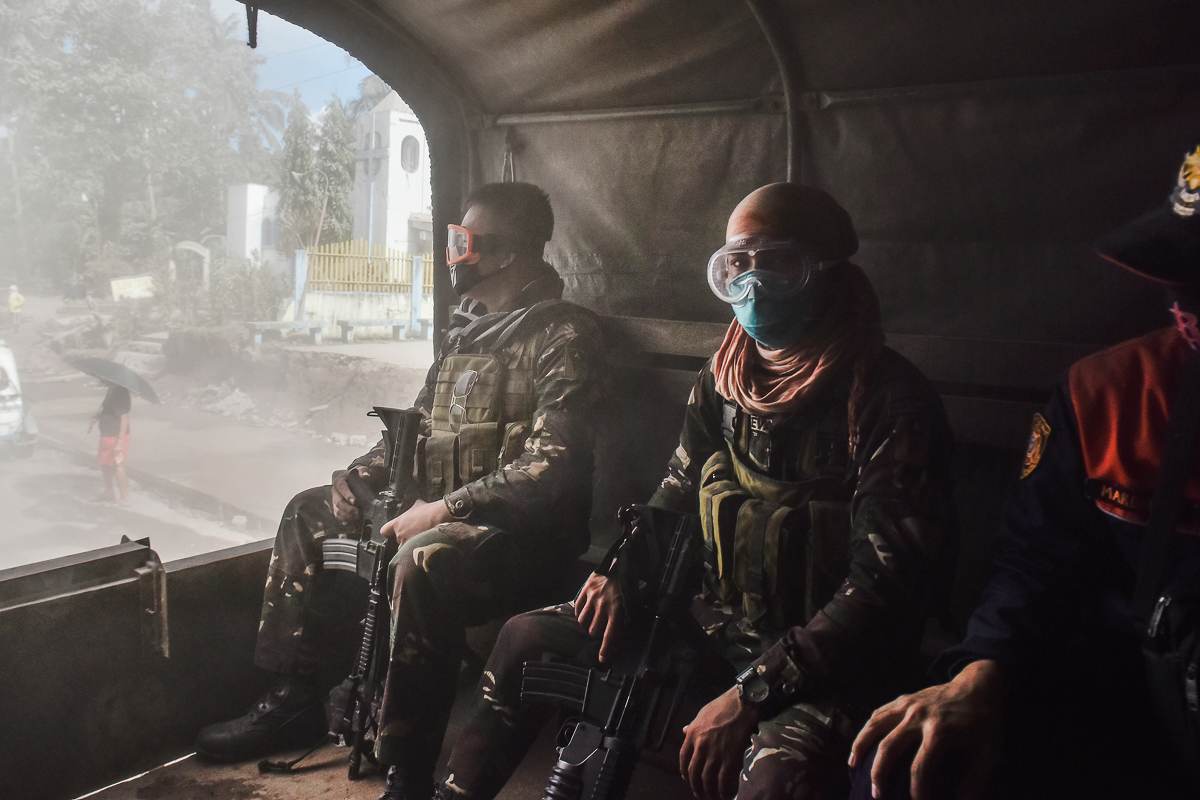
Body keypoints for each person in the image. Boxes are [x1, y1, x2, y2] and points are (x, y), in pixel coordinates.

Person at [436, 183, 957, 800]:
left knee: (775, 777)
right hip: (717, 629)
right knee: (526, 637)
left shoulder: (887, 402)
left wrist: (750, 693)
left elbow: (882, 591)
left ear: (826, 275)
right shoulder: (725, 379)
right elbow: (677, 493)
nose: (755, 282)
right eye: (739, 263)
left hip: (834, 664)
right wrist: (619, 572)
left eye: (780, 263)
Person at [193, 183, 607, 800]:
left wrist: (447, 509)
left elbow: (555, 469)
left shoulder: (563, 337)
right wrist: (357, 477)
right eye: (452, 241)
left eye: (464, 243)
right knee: (307, 513)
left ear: (507, 254)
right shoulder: (464, 334)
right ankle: (293, 698)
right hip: (436, 513)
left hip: (519, 541)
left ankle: (408, 767)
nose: (452, 255)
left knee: (424, 558)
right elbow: (409, 437)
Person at [849, 145, 1200, 800]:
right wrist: (981, 670)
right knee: (905, 764)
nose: (1189, 305)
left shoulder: (891, 396)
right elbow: (1037, 564)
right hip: (1134, 691)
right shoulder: (1108, 395)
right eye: (1182, 274)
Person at [90, 379, 131, 506]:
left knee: (117, 464)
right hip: (107, 434)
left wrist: (120, 442)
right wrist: (97, 417)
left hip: (116, 436)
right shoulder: (111, 390)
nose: (101, 379)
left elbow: (124, 417)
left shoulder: (120, 393)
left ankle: (125, 497)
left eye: (103, 377)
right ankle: (109, 492)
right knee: (105, 463)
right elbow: (107, 410)